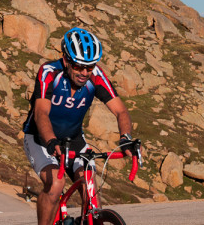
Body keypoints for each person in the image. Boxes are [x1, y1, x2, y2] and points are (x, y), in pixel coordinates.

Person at [22, 27, 135, 225]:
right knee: (56, 184)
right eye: (78, 66)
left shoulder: (96, 77)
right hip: (40, 138)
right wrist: (50, 141)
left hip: (74, 139)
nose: (84, 73)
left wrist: (125, 138)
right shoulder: (49, 73)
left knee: (89, 186)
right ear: (66, 60)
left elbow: (121, 111)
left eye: (90, 67)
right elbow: (41, 113)